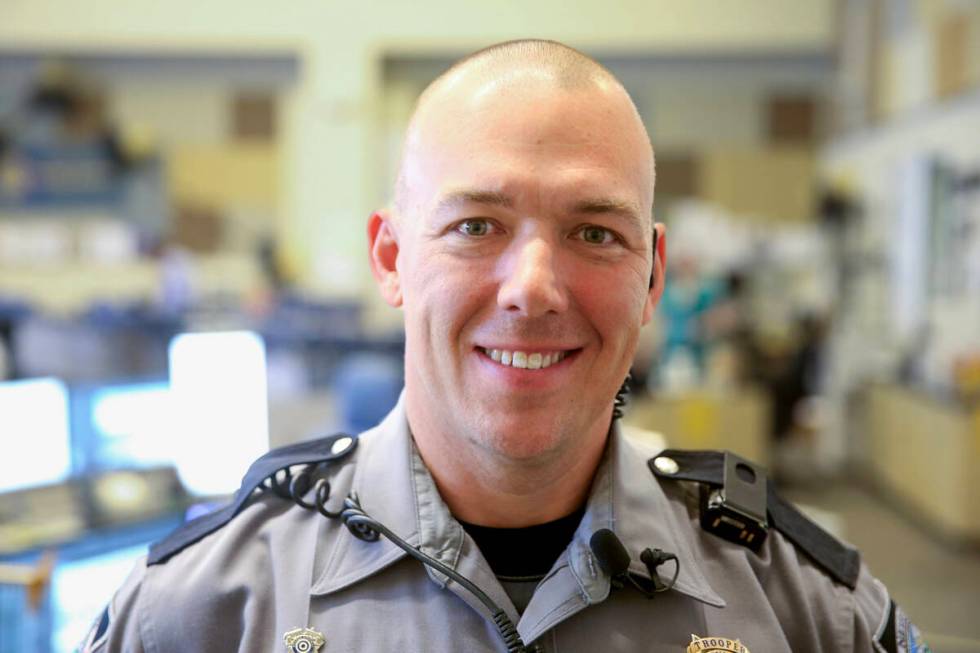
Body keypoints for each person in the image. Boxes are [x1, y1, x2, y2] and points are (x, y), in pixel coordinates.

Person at [82, 40, 928, 653]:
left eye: (594, 232)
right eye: (475, 224)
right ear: (392, 257)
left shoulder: (808, 611)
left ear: (654, 276)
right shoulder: (205, 612)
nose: (532, 287)